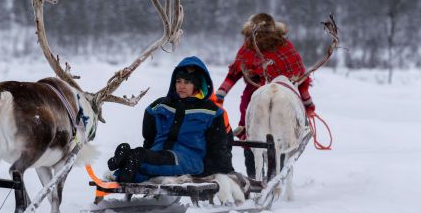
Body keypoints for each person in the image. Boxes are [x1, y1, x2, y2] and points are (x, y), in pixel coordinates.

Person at [107, 56, 233, 182]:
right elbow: (149, 132)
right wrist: (149, 148)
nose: (181, 86)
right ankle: (124, 164)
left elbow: (220, 146)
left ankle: (129, 160)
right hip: (157, 153)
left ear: (197, 84)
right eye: (178, 81)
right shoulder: (161, 105)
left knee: (145, 159)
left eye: (187, 82)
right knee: (145, 161)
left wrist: (224, 171)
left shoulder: (212, 112)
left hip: (189, 159)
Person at [214, 13, 314, 142]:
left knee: (248, 107)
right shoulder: (284, 47)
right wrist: (307, 103)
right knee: (255, 108)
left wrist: (221, 93)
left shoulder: (249, 47)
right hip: (279, 91)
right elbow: (300, 79)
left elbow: (233, 74)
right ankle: (259, 136)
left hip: (259, 91)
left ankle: (246, 133)